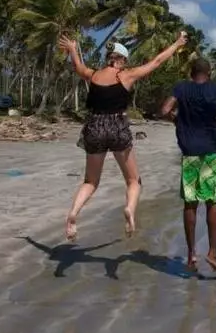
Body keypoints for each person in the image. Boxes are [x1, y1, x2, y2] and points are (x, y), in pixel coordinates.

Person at [58, 31, 188, 241]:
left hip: (94, 127)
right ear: (122, 60)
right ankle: (129, 209)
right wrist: (177, 43)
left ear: (109, 58)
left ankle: (74, 213)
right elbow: (157, 61)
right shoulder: (127, 75)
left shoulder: (94, 75)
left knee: (90, 181)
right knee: (133, 180)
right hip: (117, 127)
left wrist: (73, 50)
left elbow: (78, 67)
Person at [160, 57, 216, 274]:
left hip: (190, 153)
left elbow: (165, 110)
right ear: (209, 72)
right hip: (212, 151)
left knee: (190, 204)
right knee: (212, 201)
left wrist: (177, 120)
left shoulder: (181, 88)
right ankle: (213, 252)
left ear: (191, 72)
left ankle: (191, 254)